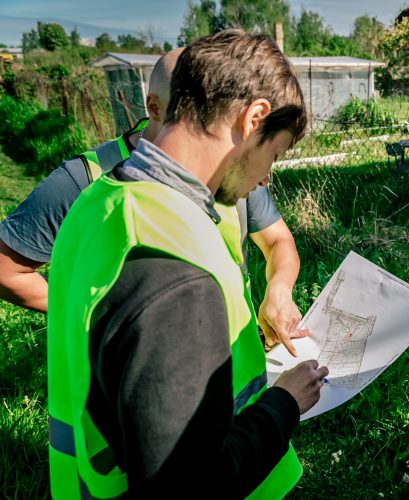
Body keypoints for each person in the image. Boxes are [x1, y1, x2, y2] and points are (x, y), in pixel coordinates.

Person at [46, 30, 328, 498]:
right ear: (253, 117)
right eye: (273, 154)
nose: (265, 178)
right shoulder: (173, 270)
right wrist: (283, 404)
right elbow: (189, 483)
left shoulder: (100, 201)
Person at [0, 48, 305, 354]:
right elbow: (6, 271)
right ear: (154, 108)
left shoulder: (234, 173)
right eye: (187, 115)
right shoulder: (85, 178)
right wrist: (100, 315)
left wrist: (279, 287)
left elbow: (278, 240)